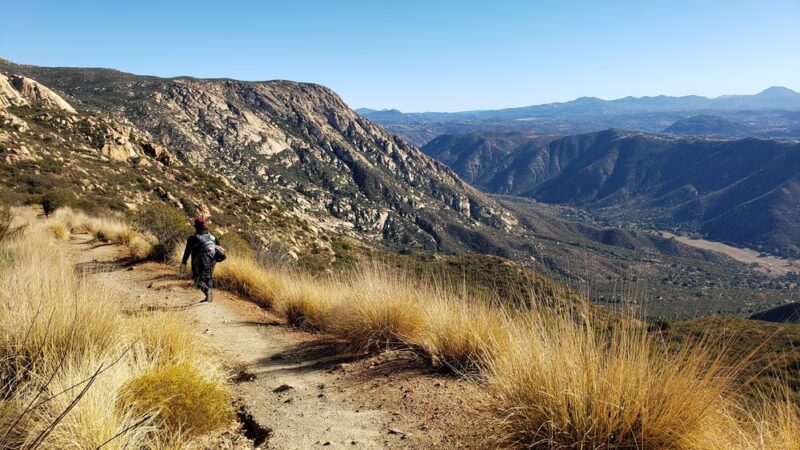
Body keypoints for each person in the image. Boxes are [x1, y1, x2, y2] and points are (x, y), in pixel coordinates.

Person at [180, 217, 219, 302]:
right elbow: (218, 247)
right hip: (212, 260)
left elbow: (187, 251)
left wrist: (184, 262)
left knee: (196, 279)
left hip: (200, 260)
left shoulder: (193, 238)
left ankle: (207, 291)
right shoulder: (212, 236)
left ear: (196, 226)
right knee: (208, 277)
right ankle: (208, 296)